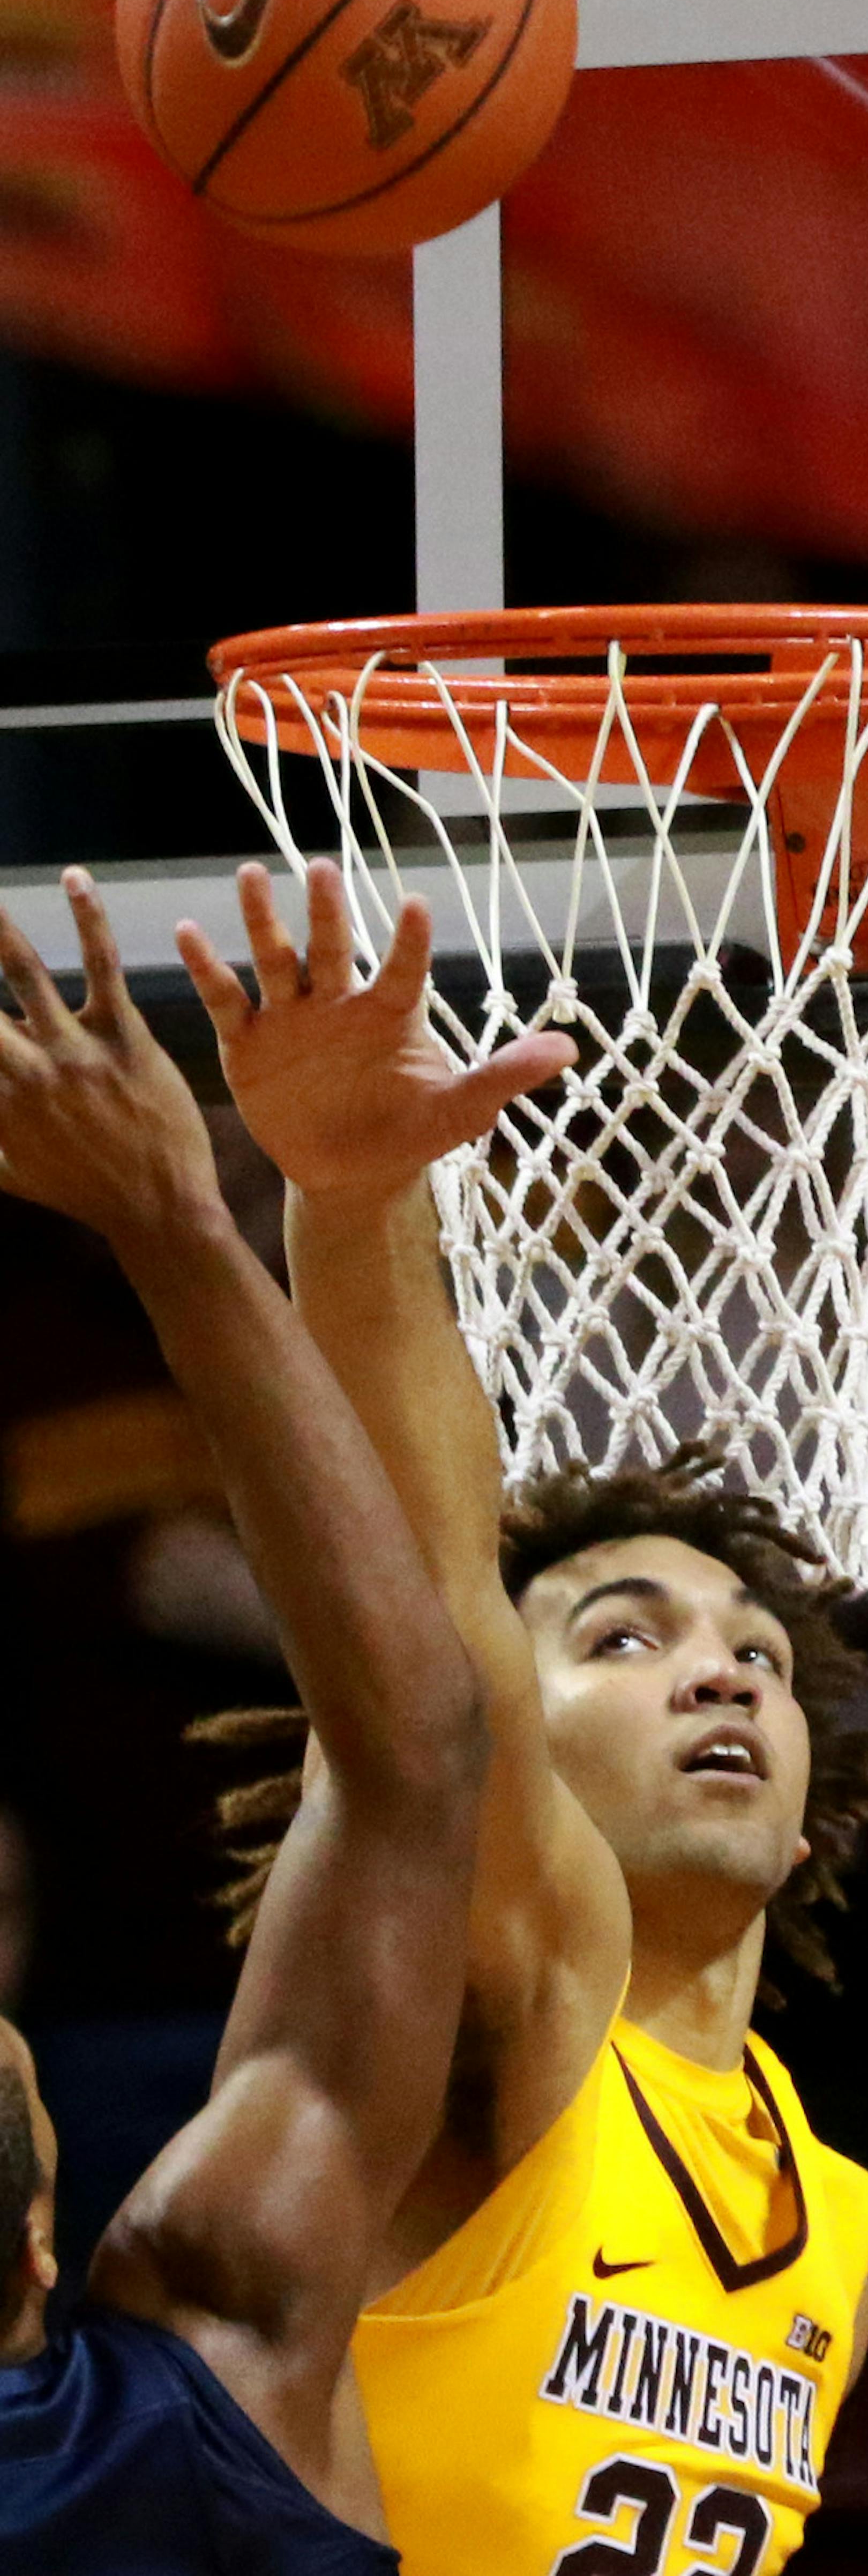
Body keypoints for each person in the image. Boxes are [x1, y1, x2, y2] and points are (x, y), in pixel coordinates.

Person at [179, 860, 868, 2576]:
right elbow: (429, 1595)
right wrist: (349, 1209)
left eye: (756, 1657)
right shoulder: (533, 1984)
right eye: (625, 1637)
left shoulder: (838, 2226)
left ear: (805, 1823)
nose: (721, 1670)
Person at [0, 871, 492, 2572]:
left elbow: (417, 1764)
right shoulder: (204, 2375)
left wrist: (193, 1223)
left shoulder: (188, 2390)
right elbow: (417, 1762)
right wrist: (179, 1224)